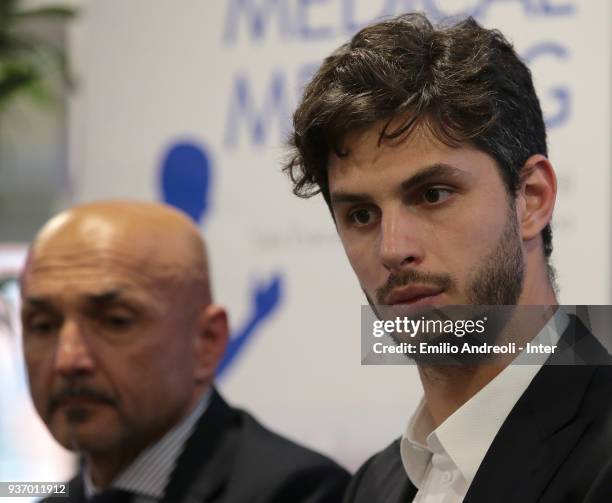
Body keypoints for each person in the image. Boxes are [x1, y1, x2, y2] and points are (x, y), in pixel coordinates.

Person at [284, 12, 612, 502]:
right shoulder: (372, 486)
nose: (393, 249)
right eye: (361, 215)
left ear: (532, 198)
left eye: (433, 194)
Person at [20, 200, 349, 503]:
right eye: (43, 326)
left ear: (206, 342)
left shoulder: (299, 492)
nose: (67, 360)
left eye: (115, 322)